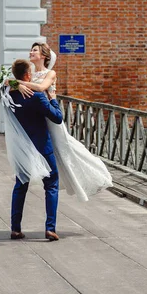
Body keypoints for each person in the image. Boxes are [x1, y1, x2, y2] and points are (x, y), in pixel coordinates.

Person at [15, 42, 113, 202]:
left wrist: (19, 83)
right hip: (36, 117)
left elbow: (41, 88)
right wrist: (14, 84)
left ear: (44, 56)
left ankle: (89, 174)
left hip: (51, 115)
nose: (30, 52)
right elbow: (10, 84)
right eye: (31, 49)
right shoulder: (30, 74)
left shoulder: (50, 73)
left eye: (34, 50)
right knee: (43, 148)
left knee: (62, 146)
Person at [6, 59, 64, 241]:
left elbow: (3, 83)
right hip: (41, 146)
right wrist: (53, 99)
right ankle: (50, 228)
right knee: (52, 185)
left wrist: (13, 82)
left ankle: (15, 228)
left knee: (20, 185)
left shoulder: (8, 94)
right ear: (28, 75)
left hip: (21, 148)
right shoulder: (37, 96)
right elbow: (57, 118)